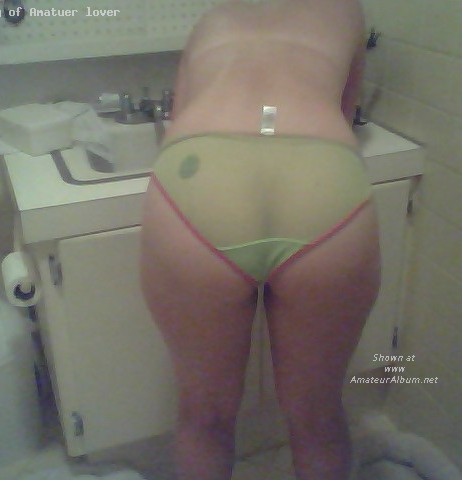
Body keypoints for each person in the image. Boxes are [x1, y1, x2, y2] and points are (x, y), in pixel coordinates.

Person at [139, 1, 380, 479]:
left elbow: (178, 114)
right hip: (320, 172)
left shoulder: (211, 19)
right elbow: (346, 111)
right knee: (318, 417)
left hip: (201, 172)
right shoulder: (346, 10)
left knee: (203, 417)